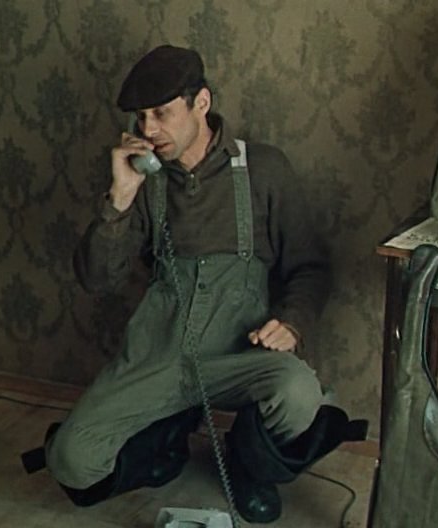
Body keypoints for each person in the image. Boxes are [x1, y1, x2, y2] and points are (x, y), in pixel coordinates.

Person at [23, 44, 367, 524]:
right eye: (141, 117)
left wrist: (292, 323)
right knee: (71, 461)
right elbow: (96, 280)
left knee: (299, 393)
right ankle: (164, 443)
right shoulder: (145, 181)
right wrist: (119, 199)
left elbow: (311, 266)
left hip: (239, 356)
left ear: (201, 103)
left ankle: (246, 466)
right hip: (160, 356)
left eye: (161, 113)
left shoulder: (264, 169)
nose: (148, 130)